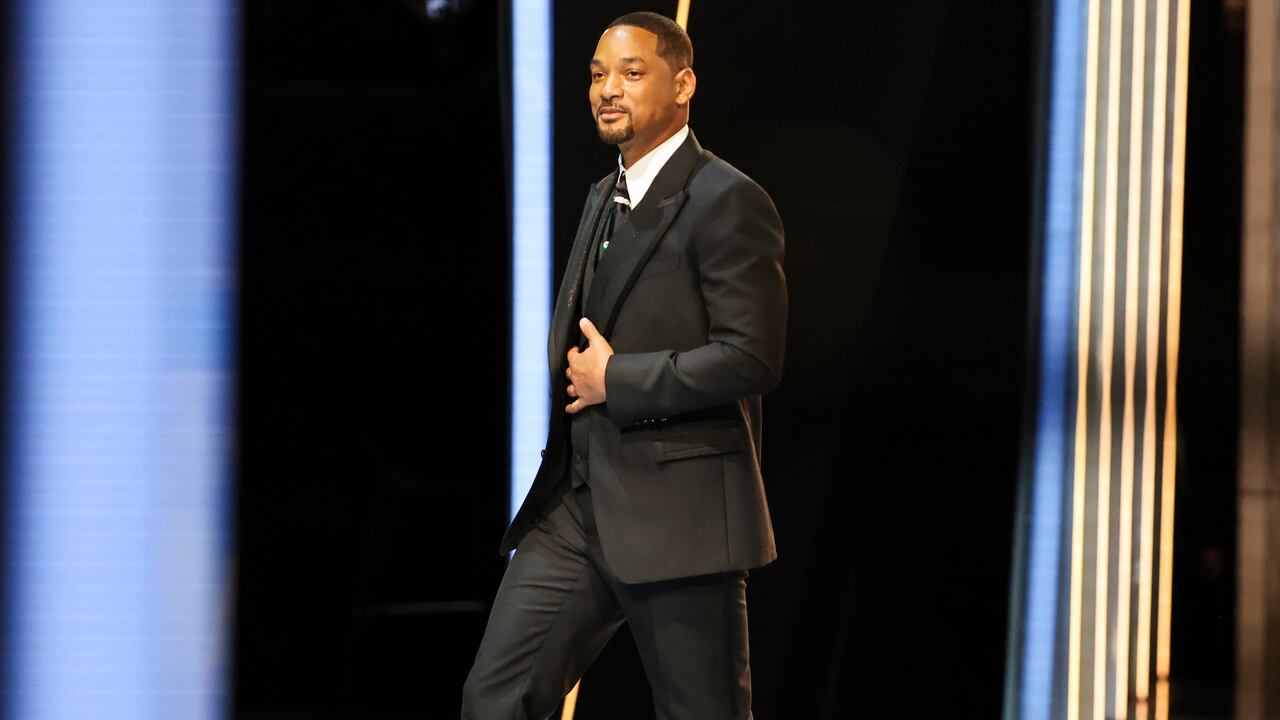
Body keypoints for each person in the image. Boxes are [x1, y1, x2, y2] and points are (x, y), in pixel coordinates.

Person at [462, 11, 786, 720]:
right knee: (493, 700)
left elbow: (752, 357)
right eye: (597, 74)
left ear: (683, 84)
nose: (608, 88)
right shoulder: (602, 195)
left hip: (680, 515)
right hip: (579, 506)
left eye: (631, 72)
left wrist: (619, 380)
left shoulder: (727, 200)